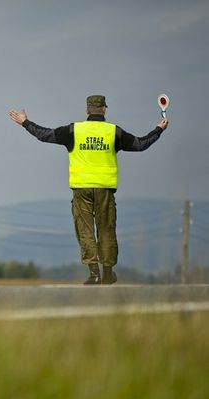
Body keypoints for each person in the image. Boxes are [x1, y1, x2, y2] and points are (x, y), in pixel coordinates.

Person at [9, 95, 168, 285]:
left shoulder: (74, 130)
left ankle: (94, 273)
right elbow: (140, 144)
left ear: (87, 110)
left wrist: (25, 122)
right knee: (106, 230)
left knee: (84, 230)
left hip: (81, 189)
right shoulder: (113, 132)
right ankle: (108, 273)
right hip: (105, 190)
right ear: (104, 110)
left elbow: (45, 135)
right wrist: (159, 129)